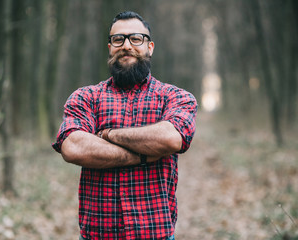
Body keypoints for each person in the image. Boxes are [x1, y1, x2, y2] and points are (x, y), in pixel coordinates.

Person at [52, 11, 197, 240]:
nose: (126, 45)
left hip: (155, 234)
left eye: (136, 39)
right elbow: (73, 147)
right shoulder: (85, 97)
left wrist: (107, 135)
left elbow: (170, 138)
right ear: (110, 47)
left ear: (150, 47)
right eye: (118, 39)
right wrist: (142, 155)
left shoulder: (176, 97)